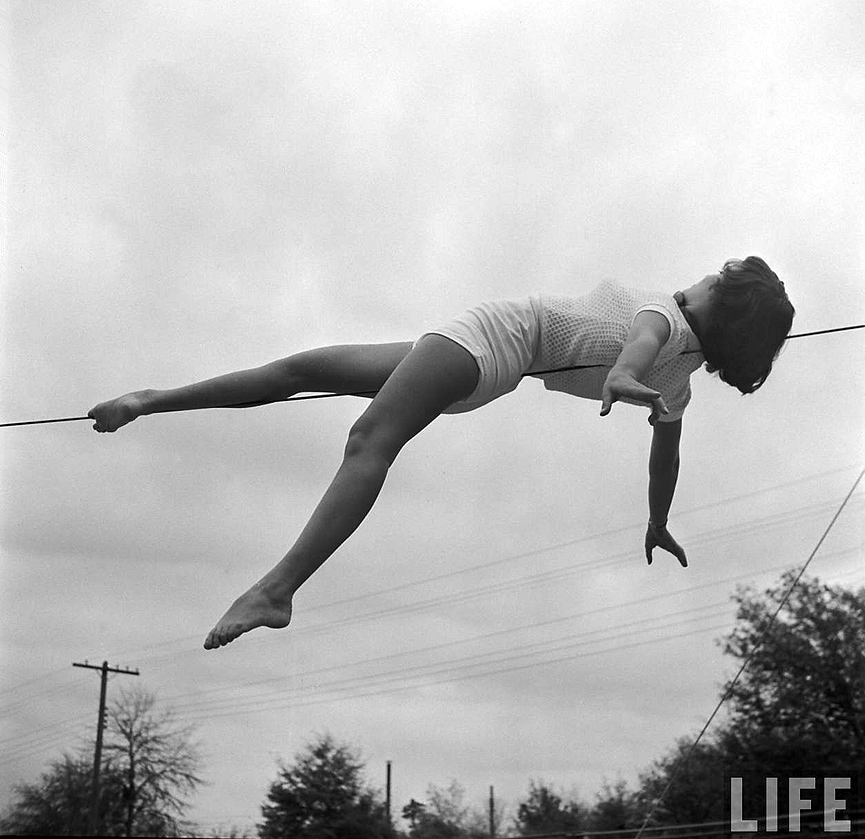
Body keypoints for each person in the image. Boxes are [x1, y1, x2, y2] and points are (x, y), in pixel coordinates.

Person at [88, 256, 794, 649]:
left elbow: (635, 349)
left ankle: (277, 589)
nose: (704, 272)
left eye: (718, 276)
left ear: (718, 304)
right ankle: (150, 399)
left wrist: (617, 375)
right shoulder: (677, 381)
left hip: (496, 338)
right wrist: (656, 518)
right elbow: (663, 456)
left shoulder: (662, 321)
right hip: (486, 367)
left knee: (369, 437)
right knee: (303, 374)